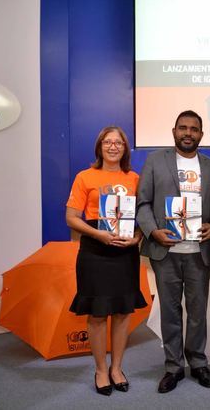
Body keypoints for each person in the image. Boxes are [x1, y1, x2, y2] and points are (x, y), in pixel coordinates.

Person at [136, 110, 210, 393]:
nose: (188, 133)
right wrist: (152, 231)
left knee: (197, 312)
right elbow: (142, 203)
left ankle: (198, 362)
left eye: (194, 129)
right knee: (170, 311)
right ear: (174, 131)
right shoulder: (154, 160)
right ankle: (173, 366)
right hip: (167, 250)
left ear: (201, 134)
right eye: (183, 128)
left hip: (199, 251)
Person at [66, 126, 147, 396]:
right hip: (95, 251)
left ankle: (117, 368)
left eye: (119, 143)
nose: (113, 147)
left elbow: (144, 216)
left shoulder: (135, 178)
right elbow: (72, 217)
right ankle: (101, 369)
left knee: (123, 312)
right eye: (107, 142)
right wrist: (97, 234)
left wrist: (137, 238)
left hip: (125, 252)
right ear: (99, 147)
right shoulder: (84, 177)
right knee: (98, 314)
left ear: (125, 148)